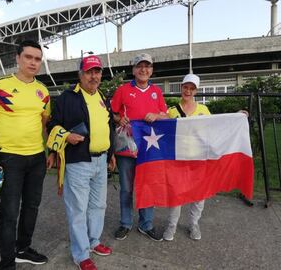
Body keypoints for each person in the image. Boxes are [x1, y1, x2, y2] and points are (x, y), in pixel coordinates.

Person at [0, 40, 52, 270]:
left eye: (37, 59)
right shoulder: (0, 85)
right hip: (8, 159)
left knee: (32, 207)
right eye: (28, 57)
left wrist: (50, 151)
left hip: (37, 158)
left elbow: (44, 123)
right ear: (17, 58)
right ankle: (7, 263)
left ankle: (22, 249)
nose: (33, 62)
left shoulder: (43, 91)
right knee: (9, 213)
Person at [47, 55, 116, 270]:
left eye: (97, 72)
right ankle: (81, 254)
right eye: (89, 72)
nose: (94, 76)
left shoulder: (102, 97)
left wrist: (111, 152)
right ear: (80, 74)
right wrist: (66, 136)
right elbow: (52, 125)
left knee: (98, 205)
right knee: (77, 209)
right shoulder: (67, 98)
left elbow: (109, 126)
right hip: (78, 162)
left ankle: (94, 242)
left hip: (101, 160)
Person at [111, 53, 168, 241]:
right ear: (133, 69)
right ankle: (125, 223)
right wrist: (121, 118)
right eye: (139, 66)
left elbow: (165, 115)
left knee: (147, 186)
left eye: (147, 66)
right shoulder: (123, 90)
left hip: (149, 147)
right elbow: (113, 115)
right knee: (126, 188)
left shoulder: (157, 91)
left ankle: (146, 224)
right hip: (127, 146)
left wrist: (157, 115)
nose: (143, 70)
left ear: (151, 70)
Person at [163, 73, 210, 241]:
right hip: (178, 159)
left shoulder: (204, 110)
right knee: (176, 193)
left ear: (196, 91)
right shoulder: (172, 110)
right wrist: (154, 116)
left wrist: (237, 116)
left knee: (198, 194)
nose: (188, 91)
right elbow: (163, 128)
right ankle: (171, 225)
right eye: (185, 87)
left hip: (198, 159)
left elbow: (215, 127)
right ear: (181, 88)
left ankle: (194, 224)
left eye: (192, 88)